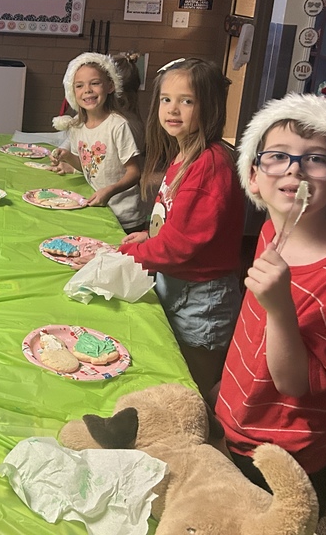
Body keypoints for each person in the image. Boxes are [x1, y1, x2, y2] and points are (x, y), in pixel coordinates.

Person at [215, 93, 326, 515]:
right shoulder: (272, 234)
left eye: (315, 159)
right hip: (236, 423)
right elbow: (253, 334)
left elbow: (295, 383)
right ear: (254, 177)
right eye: (279, 156)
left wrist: (280, 306)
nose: (294, 167)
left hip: (284, 457)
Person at [113, 57, 245, 401]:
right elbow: (178, 223)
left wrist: (126, 253)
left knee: (189, 392)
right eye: (166, 99)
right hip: (177, 284)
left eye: (187, 101)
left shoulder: (210, 165)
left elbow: (178, 247)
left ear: (210, 107)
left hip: (202, 301)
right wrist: (149, 235)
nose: (173, 109)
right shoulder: (183, 154)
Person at [50, 52, 147, 232]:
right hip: (97, 208)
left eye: (95, 83)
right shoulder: (78, 126)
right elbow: (88, 165)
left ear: (110, 86)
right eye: (79, 85)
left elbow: (134, 172)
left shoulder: (118, 126)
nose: (87, 90)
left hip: (124, 217)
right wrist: (68, 158)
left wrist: (110, 190)